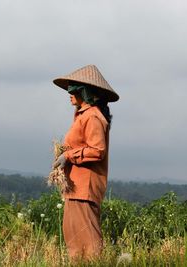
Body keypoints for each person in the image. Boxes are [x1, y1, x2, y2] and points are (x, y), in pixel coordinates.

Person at [52, 65, 119, 261]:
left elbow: (97, 150)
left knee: (87, 239)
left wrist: (68, 156)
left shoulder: (92, 117)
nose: (69, 94)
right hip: (76, 188)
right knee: (74, 238)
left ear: (86, 92)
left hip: (85, 188)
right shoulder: (83, 116)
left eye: (74, 90)